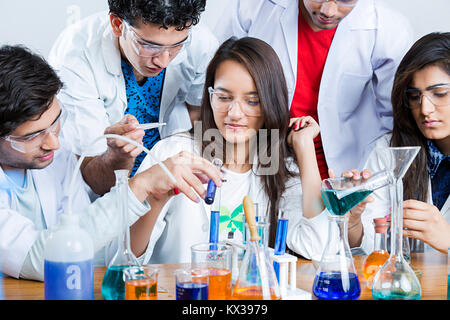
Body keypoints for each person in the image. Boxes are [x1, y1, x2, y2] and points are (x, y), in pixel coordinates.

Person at [0, 45, 223, 280]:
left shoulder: (54, 155)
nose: (53, 143)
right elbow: (40, 261)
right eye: (31, 136)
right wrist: (140, 186)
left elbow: (90, 248)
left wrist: (119, 159)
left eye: (56, 122)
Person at [130, 37, 332, 264]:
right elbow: (124, 259)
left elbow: (317, 247)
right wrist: (155, 201)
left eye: (252, 101)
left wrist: (304, 148)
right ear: (209, 96)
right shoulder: (174, 152)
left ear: (271, 103)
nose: (235, 113)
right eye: (224, 97)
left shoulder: (279, 166)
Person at [209, 0, 414, 178]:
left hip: (342, 167)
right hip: (266, 159)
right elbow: (214, 83)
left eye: (345, 0)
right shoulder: (253, 7)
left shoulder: (387, 28)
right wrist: (212, 158)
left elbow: (394, 119)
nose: (329, 10)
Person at [48, 0, 219, 194]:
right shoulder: (76, 56)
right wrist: (118, 155)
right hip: (105, 194)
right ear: (117, 25)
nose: (163, 61)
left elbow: (200, 113)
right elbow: (92, 175)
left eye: (176, 46)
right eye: (149, 45)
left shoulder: (201, 43)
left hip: (171, 179)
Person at [348, 32, 450, 255]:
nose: (424, 109)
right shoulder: (390, 149)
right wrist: (353, 220)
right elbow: (369, 248)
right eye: (415, 97)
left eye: (440, 94)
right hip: (404, 288)